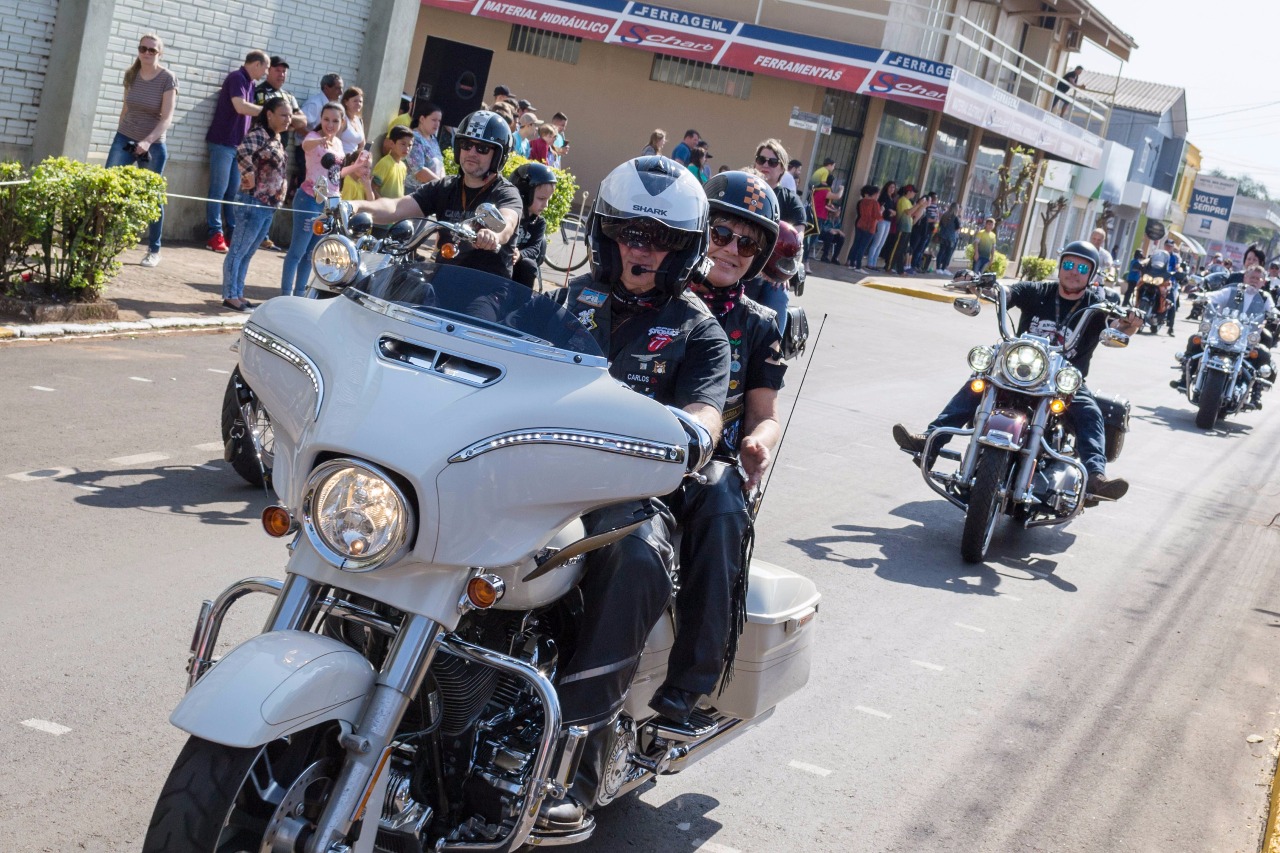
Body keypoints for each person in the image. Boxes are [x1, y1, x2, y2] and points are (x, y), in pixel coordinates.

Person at [541, 155, 727, 832]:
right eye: (629, 232)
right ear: (606, 233)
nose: (641, 249)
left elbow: (706, 413)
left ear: (684, 249)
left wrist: (694, 430)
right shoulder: (565, 302)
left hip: (629, 493)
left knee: (638, 554)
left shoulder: (698, 330)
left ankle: (576, 763)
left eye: (661, 239)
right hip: (540, 477)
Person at [651, 169, 786, 726]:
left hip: (704, 465)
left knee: (725, 499)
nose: (730, 249)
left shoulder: (760, 325)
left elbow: (765, 416)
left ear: (759, 257)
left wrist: (756, 444)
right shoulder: (654, 291)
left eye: (747, 244)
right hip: (625, 448)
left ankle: (688, 686)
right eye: (721, 233)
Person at [892, 241, 1141, 503]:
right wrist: (979, 284)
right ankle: (929, 443)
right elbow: (1007, 292)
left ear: (1091, 274)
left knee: (1089, 411)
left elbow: (1119, 326)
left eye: (1082, 268)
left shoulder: (1095, 306)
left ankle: (1095, 477)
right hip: (1018, 371)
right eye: (1069, 264)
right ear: (1060, 266)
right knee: (978, 383)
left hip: (1063, 380)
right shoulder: (1038, 291)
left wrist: (1131, 322)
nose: (1073, 272)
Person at [348, 110, 522, 278]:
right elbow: (396, 207)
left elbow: (508, 222)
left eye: (482, 148)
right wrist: (354, 206)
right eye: (466, 145)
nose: (471, 152)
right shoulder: (444, 187)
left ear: (498, 156)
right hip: (443, 280)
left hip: (487, 287)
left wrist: (494, 235)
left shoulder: (505, 193)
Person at [105, 32, 177, 269]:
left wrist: (147, 141)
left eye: (152, 50)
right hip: (125, 137)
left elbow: (166, 118)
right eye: (142, 48)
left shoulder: (167, 78)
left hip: (152, 143)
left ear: (160, 53)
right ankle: (102, 242)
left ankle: (154, 249)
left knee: (153, 196)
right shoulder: (131, 74)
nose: (146, 53)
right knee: (108, 187)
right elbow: (126, 108)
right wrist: (120, 133)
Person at [280, 102, 362, 296]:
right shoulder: (313, 137)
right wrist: (321, 140)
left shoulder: (339, 143)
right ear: (321, 119)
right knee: (297, 251)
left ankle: (300, 294)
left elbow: (336, 174)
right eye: (326, 119)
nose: (330, 124)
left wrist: (357, 166)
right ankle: (285, 293)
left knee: (312, 253)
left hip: (329, 205)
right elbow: (305, 145)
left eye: (335, 121)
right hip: (309, 199)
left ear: (342, 122)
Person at [221, 97, 291, 311]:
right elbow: (242, 151)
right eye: (283, 115)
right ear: (269, 115)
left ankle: (238, 292)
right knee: (238, 250)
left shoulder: (276, 137)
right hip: (253, 202)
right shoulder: (259, 133)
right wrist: (249, 173)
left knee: (248, 251)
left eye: (290, 115)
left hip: (268, 205)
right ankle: (230, 295)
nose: (288, 119)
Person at [1174, 262, 1275, 407]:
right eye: (1251, 277)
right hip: (1222, 334)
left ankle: (1256, 394)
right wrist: (1202, 296)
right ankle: (1184, 378)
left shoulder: (1265, 297)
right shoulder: (1233, 291)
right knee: (1196, 340)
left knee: (1263, 353)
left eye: (1258, 279)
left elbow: (1272, 309)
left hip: (1247, 340)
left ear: (1263, 282)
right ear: (1245, 277)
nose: (1254, 280)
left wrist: (1275, 314)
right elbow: (1215, 296)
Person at [205, 49, 268, 253]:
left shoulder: (251, 83)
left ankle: (231, 232)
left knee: (233, 192)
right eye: (265, 67)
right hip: (222, 142)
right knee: (218, 190)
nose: (266, 73)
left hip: (237, 146)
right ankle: (214, 234)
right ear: (256, 64)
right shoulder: (237, 78)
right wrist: (269, 112)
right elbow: (240, 106)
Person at [751, 139, 805, 334]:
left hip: (771, 272)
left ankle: (773, 347)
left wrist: (784, 272)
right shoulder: (748, 191)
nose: (765, 165)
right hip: (741, 262)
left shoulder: (790, 200)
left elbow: (798, 240)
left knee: (778, 296)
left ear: (782, 167)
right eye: (761, 160)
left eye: (772, 162)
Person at [509, 162, 557, 289]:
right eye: (541, 199)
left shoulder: (539, 223)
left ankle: (521, 300)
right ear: (524, 195)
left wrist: (519, 255)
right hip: (499, 264)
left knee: (528, 265)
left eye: (548, 199)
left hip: (519, 265)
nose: (546, 205)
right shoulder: (507, 216)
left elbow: (535, 249)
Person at [403, 101, 444, 194]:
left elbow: (440, 164)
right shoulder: (414, 138)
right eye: (434, 120)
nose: (437, 124)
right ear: (422, 119)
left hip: (430, 191)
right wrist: (442, 185)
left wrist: (443, 182)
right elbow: (419, 172)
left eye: (439, 121)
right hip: (414, 193)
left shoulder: (433, 139)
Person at [371, 126, 412, 200]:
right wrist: (382, 203)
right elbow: (372, 187)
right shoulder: (385, 163)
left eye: (410, 145)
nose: (407, 148)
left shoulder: (403, 166)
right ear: (392, 143)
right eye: (403, 144)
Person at [846, 184, 881, 270]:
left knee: (857, 244)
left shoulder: (862, 202)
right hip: (870, 226)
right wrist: (882, 211)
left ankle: (851, 262)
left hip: (860, 223)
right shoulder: (874, 203)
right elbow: (878, 216)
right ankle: (858, 265)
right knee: (863, 246)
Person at [865, 181, 897, 271]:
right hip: (881, 221)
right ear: (887, 187)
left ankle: (874, 263)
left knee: (881, 244)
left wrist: (893, 212)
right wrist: (890, 212)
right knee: (877, 242)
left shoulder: (892, 198)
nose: (892, 189)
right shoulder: (883, 197)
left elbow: (894, 210)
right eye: (891, 187)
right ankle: (870, 263)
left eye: (893, 187)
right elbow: (881, 209)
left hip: (888, 222)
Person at [935, 202, 962, 272]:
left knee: (941, 252)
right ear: (956, 209)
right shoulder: (955, 217)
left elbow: (940, 225)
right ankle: (943, 268)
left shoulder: (945, 215)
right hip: (951, 238)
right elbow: (957, 228)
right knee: (948, 253)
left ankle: (938, 268)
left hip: (943, 236)